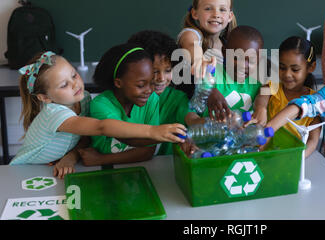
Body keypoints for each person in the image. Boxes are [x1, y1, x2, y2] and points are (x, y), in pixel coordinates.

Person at [9, 51, 185, 178]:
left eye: (74, 75)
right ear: (45, 97)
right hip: (23, 171)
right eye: (64, 85)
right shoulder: (54, 114)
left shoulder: (83, 99)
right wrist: (152, 131)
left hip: (50, 169)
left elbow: (85, 136)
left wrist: (71, 157)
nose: (75, 84)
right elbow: (101, 127)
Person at [78, 44, 187, 166]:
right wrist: (156, 133)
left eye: (152, 83)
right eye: (141, 85)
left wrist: (101, 159)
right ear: (119, 83)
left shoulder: (152, 99)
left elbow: (148, 150)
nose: (149, 90)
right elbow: (126, 137)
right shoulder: (100, 105)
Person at [127, 30, 204, 155]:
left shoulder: (177, 98)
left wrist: (210, 123)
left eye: (168, 70)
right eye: (155, 71)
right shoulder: (126, 99)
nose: (161, 78)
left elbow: (192, 118)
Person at [250, 36, 322, 158]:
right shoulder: (272, 87)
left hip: (291, 159)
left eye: (295, 69)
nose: (287, 74)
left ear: (311, 67)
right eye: (282, 67)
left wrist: (298, 158)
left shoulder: (314, 101)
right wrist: (261, 108)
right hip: (265, 155)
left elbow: (313, 141)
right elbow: (261, 97)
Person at [177, 0, 237, 98]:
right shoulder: (191, 34)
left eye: (222, 10)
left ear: (230, 16)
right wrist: (199, 60)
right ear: (195, 13)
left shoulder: (228, 44)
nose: (216, 14)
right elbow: (191, 44)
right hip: (189, 108)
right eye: (208, 9)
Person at [204, 25, 263, 121]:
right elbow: (201, 81)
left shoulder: (257, 87)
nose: (243, 65)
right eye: (236, 57)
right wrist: (209, 90)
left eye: (251, 60)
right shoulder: (212, 73)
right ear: (224, 52)